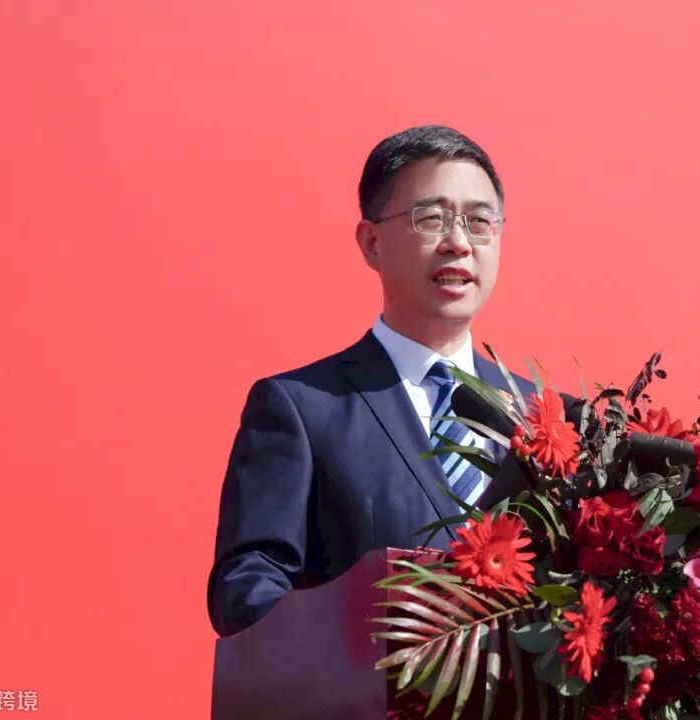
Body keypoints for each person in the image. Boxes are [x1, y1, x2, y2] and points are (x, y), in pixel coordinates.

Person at [207, 125, 536, 637]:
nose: (458, 243)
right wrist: (369, 634)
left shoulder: (545, 417)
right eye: (432, 219)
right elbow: (246, 591)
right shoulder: (302, 409)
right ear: (371, 242)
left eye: (479, 222)